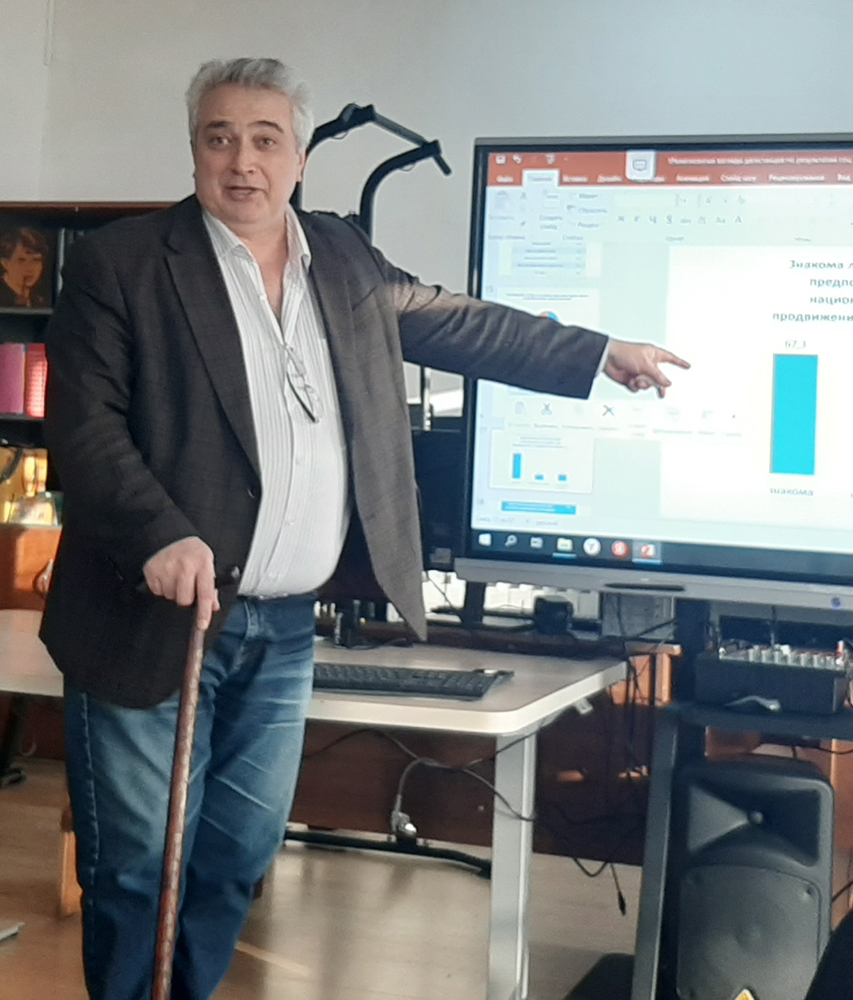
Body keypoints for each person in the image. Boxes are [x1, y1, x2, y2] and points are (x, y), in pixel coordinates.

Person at [41, 57, 688, 1000]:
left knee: (235, 857)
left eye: (265, 140)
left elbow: (464, 324)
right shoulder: (124, 265)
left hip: (281, 628)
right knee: (140, 866)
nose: (243, 160)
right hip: (151, 622)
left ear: (300, 157)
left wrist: (599, 354)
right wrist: (158, 535)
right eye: (220, 138)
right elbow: (84, 429)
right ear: (193, 150)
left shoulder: (342, 259)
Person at [0, 227, 50, 308]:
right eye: (21, 260)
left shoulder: (41, 303)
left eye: (36, 260)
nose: (30, 267)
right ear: (5, 263)